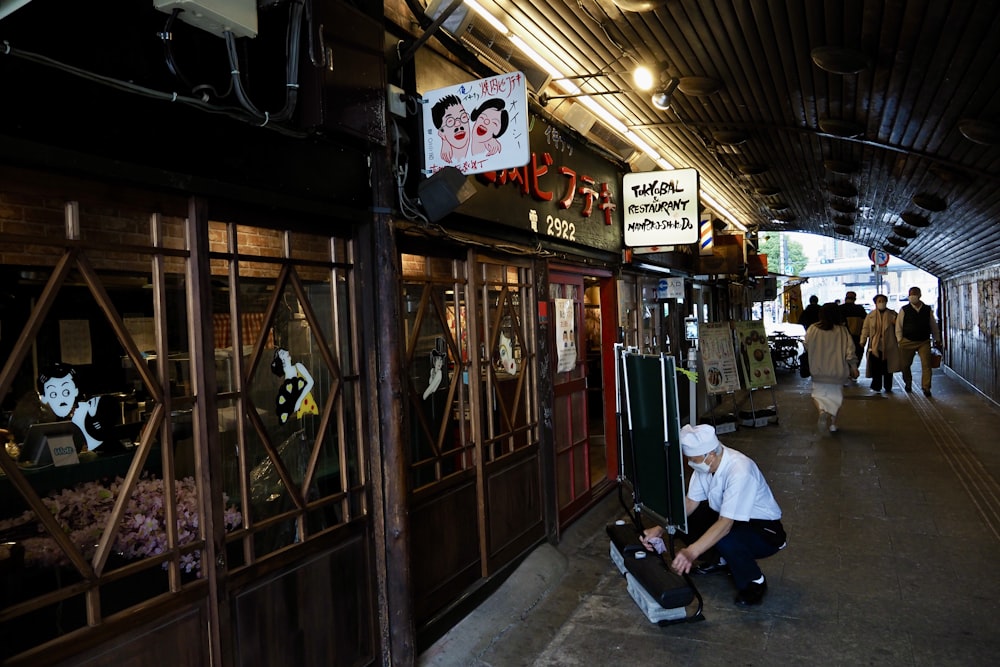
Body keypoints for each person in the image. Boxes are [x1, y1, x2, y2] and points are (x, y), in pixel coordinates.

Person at [640, 424, 786, 607]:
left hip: (764, 530)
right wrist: (659, 528)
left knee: (726, 539)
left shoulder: (740, 470)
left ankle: (754, 581)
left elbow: (725, 524)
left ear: (710, 454)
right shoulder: (705, 467)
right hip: (733, 521)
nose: (690, 463)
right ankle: (720, 560)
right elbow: (690, 503)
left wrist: (691, 552)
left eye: (693, 459)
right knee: (687, 519)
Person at [804, 303, 859, 433]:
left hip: (818, 370)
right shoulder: (842, 330)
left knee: (818, 395)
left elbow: (806, 345)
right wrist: (854, 367)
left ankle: (822, 411)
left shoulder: (812, 328)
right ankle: (833, 424)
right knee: (835, 397)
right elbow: (850, 351)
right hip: (837, 371)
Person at [895, 286, 943, 397]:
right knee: (905, 365)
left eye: (914, 294)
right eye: (910, 294)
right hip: (907, 341)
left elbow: (933, 325)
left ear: (920, 295)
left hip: (924, 341)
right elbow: (899, 325)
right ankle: (908, 382)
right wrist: (900, 339)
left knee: (926, 365)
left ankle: (926, 387)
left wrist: (937, 339)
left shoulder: (927, 309)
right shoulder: (904, 309)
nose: (912, 296)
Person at [859, 294, 900, 393]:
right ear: (876, 303)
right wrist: (862, 341)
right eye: (879, 301)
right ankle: (877, 385)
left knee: (887, 366)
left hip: (889, 344)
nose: (881, 303)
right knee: (876, 366)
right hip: (875, 345)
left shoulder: (893, 314)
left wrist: (899, 340)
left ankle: (888, 386)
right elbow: (865, 329)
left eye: (883, 301)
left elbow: (899, 328)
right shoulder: (870, 316)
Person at [270, 348, 317, 425]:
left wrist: (299, 401)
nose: (287, 352)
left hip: (307, 406)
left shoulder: (298, 367)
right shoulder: (285, 383)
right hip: (297, 415)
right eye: (282, 353)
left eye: (285, 351)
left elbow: (311, 382)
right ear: (281, 361)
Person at [838, 290, 867, 367]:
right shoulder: (860, 309)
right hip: (856, 338)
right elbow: (865, 325)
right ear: (855, 299)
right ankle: (853, 373)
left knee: (843, 360)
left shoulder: (839, 309)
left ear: (845, 298)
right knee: (856, 358)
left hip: (842, 339)